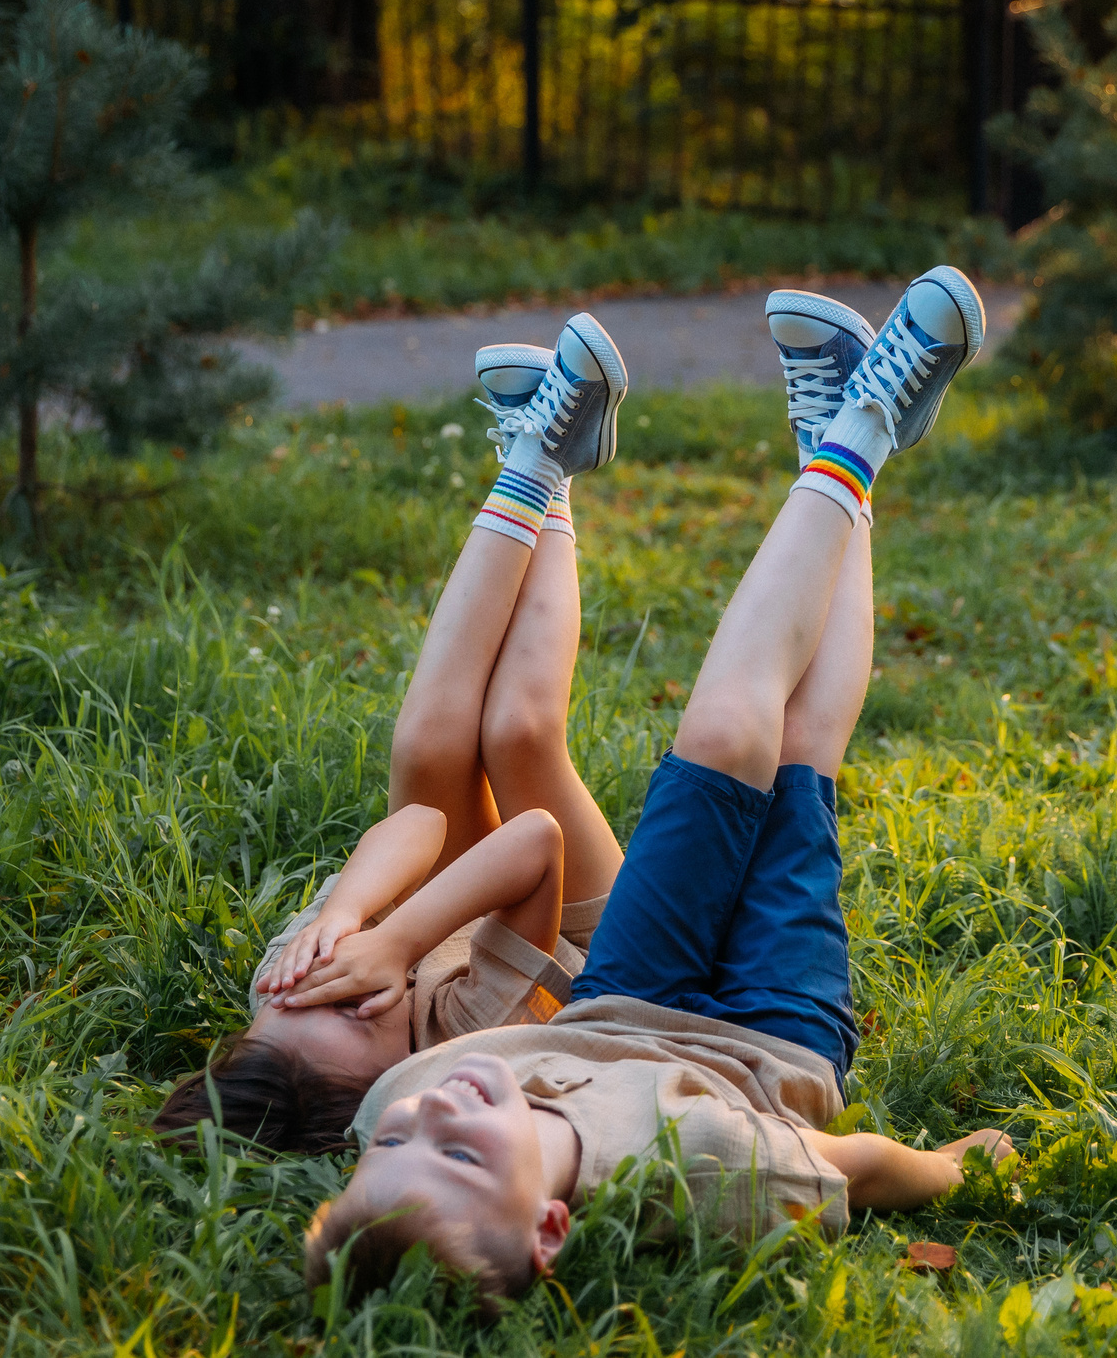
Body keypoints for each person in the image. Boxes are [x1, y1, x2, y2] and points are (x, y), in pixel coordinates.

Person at [301, 268, 1015, 1307]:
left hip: (623, 990)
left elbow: (437, 1060)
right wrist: (953, 1167)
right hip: (773, 1033)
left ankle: (859, 425)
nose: (436, 1116)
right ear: (550, 1226)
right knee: (802, 746)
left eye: (398, 1144)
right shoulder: (705, 1173)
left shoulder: (398, 1097)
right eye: (458, 1158)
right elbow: (855, 1167)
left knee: (728, 729)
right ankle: (849, 428)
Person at [154, 315, 633, 1152]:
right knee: (519, 732)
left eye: (290, 1000)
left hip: (457, 900)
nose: (326, 981)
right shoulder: (464, 1036)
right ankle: (542, 461)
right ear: (396, 1078)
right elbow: (533, 842)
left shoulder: (295, 987)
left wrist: (348, 914)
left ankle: (542, 456)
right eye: (348, 1003)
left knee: (425, 745)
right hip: (570, 928)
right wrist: (403, 938)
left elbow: (419, 826)